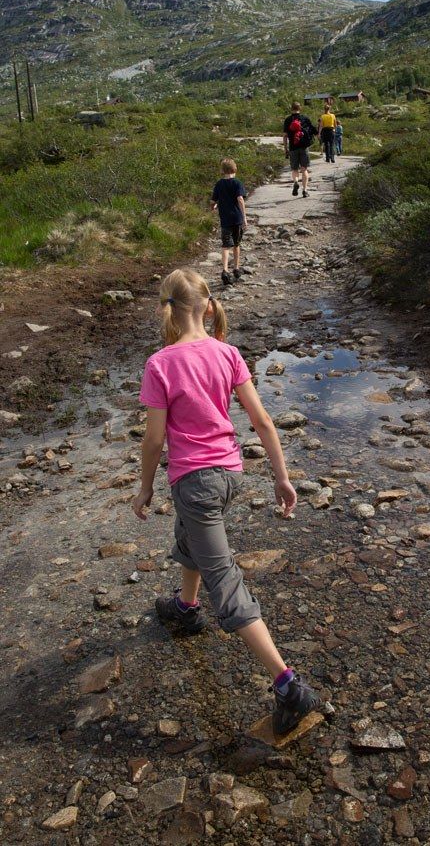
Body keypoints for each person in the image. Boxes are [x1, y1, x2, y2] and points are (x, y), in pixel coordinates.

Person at [132, 268, 321, 737]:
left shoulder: (161, 363)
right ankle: (186, 608)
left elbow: (154, 440)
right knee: (192, 534)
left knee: (227, 582)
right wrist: (281, 478)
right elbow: (262, 422)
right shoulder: (228, 352)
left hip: (194, 483)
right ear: (207, 306)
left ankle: (288, 685)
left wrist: (144, 486)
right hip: (229, 475)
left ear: (168, 309)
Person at [210, 157, 246, 286]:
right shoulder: (237, 183)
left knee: (225, 245)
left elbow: (213, 201)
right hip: (236, 218)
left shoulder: (219, 184)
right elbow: (240, 199)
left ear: (223, 170)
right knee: (236, 244)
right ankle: (236, 268)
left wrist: (214, 206)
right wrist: (244, 218)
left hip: (225, 219)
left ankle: (225, 270)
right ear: (234, 169)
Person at [282, 101, 315, 198]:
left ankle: (296, 182)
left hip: (293, 148)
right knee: (304, 169)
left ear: (291, 108)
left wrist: (285, 148)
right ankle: (305, 190)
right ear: (300, 108)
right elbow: (313, 130)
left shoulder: (288, 120)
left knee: (294, 169)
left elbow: (285, 136)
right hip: (304, 147)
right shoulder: (305, 118)